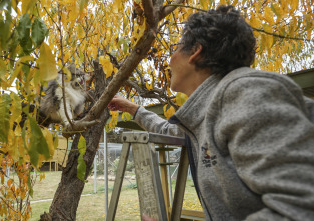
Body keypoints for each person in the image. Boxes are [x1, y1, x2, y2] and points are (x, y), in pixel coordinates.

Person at [108, 5, 314, 221]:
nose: (169, 60)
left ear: (195, 51)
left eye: (177, 47)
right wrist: (133, 109)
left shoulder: (245, 92)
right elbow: (171, 131)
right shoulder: (209, 111)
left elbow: (301, 206)